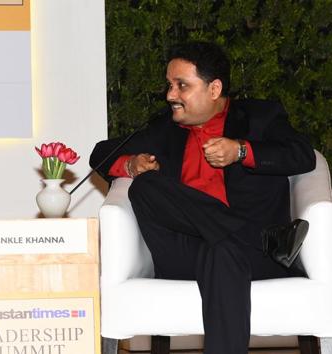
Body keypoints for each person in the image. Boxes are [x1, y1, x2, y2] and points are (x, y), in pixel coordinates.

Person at [90, 41, 315, 354]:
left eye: (182, 85)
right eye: (169, 85)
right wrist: (130, 164)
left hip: (249, 260)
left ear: (214, 88)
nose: (171, 95)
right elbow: (101, 154)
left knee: (222, 251)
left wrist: (241, 151)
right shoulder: (164, 129)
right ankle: (264, 238)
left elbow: (303, 156)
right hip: (187, 253)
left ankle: (245, 239)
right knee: (144, 186)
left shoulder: (259, 117)